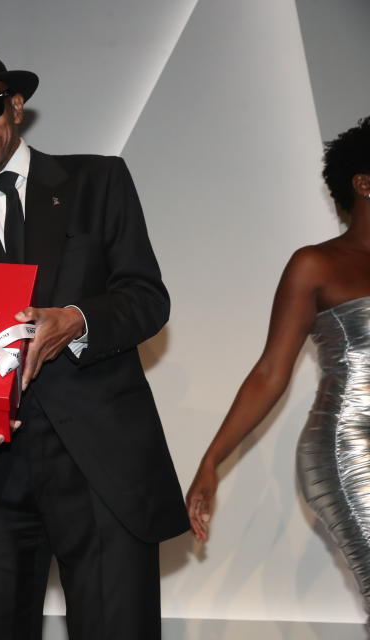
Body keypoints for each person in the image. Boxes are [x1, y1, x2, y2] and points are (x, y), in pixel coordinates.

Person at [0, 38, 188, 640]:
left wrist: (77, 320)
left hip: (100, 464)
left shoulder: (98, 180)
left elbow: (147, 297)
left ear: (15, 105)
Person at [187, 117, 370, 616]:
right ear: (363, 183)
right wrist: (212, 460)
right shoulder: (318, 264)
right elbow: (271, 371)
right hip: (354, 446)